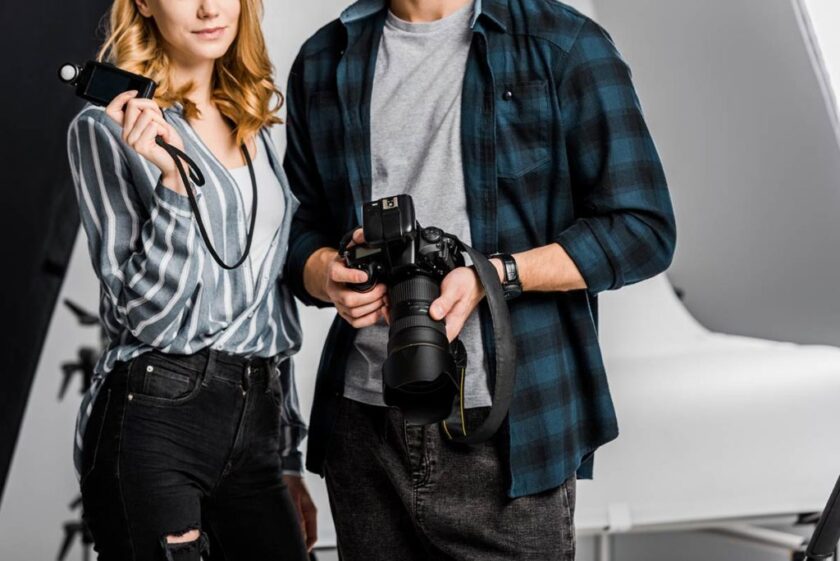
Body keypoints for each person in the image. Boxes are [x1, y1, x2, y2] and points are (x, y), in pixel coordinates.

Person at [283, 0, 677, 559]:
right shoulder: (325, 58)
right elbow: (302, 228)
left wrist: (495, 276)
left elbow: (643, 229)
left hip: (510, 432)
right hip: (365, 429)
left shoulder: (562, 44)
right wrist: (324, 274)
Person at [66, 0, 316, 558]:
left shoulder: (250, 121)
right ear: (144, 5)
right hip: (159, 416)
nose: (208, 8)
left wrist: (288, 456)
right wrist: (176, 183)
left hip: (257, 429)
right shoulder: (104, 127)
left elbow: (268, 302)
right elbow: (147, 317)